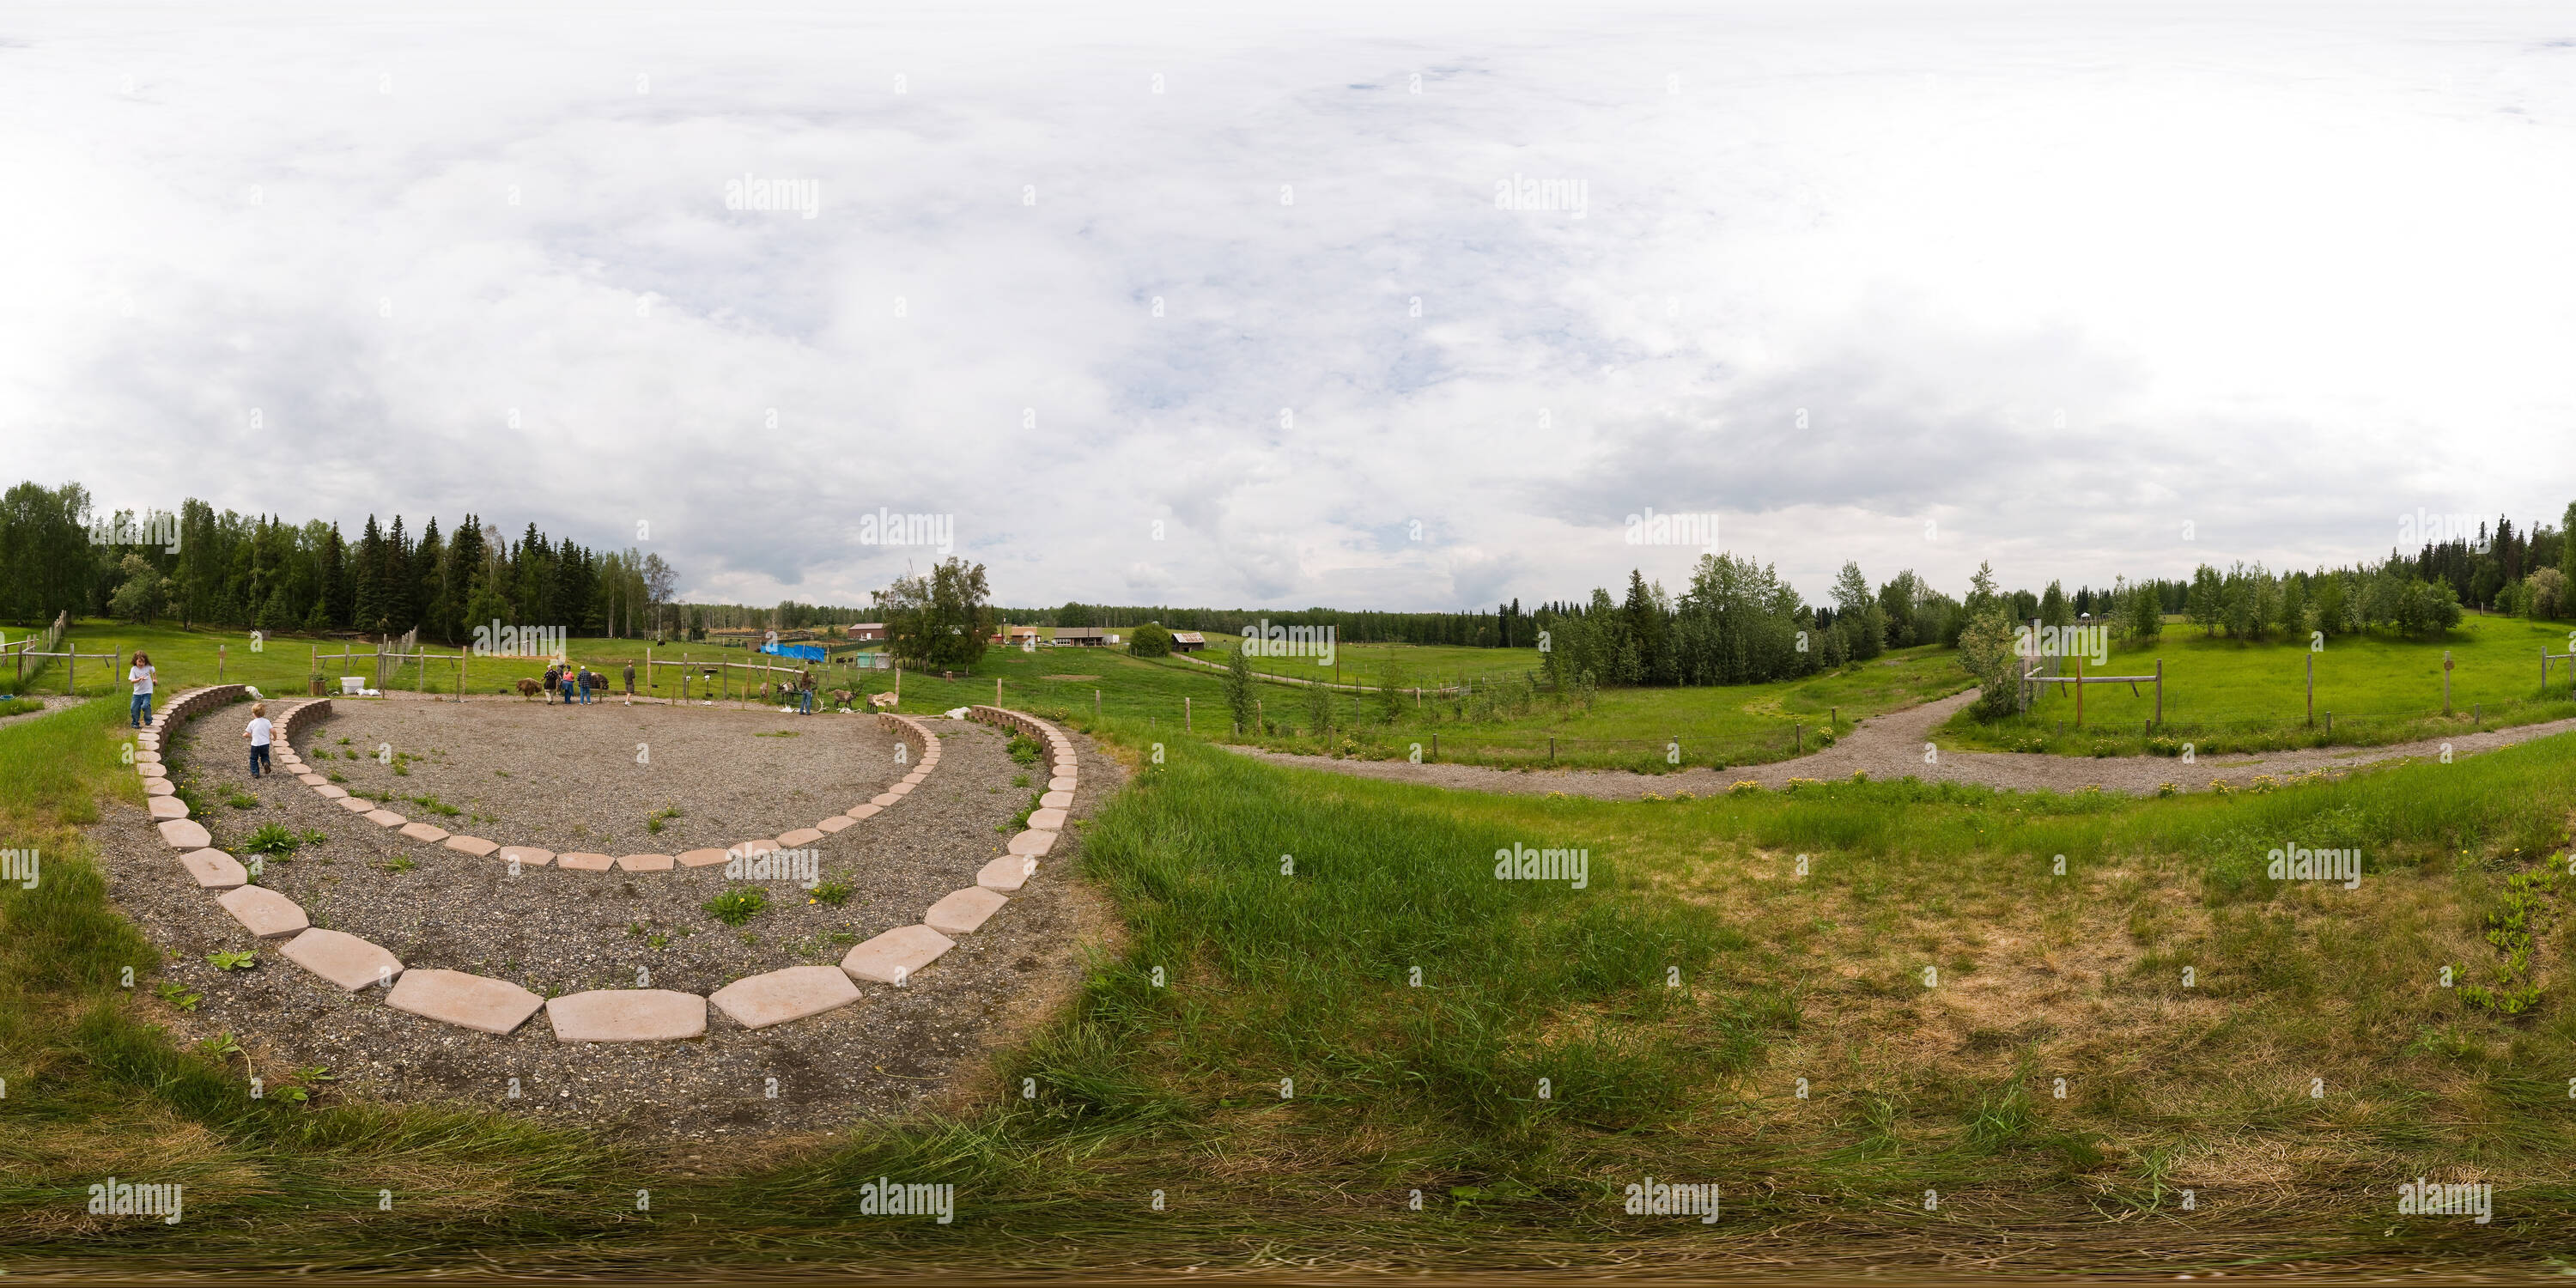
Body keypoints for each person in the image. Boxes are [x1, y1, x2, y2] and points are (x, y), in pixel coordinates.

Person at [241, 702, 272, 777]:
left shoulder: (252, 723)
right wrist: (274, 737)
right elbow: (273, 730)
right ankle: (266, 763)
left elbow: (248, 733)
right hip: (265, 744)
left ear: (254, 713)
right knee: (265, 755)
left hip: (255, 744)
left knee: (253, 759)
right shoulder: (267, 721)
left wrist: (245, 735)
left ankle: (255, 773)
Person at [127, 652, 157, 729]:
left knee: (145, 705)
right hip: (137, 693)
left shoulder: (147, 666)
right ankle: (135, 723)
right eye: (140, 661)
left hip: (147, 691)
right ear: (135, 661)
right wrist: (139, 679)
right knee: (134, 708)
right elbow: (132, 681)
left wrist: (154, 678)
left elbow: (153, 670)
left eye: (143, 661)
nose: (142, 663)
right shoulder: (133, 669)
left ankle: (148, 720)